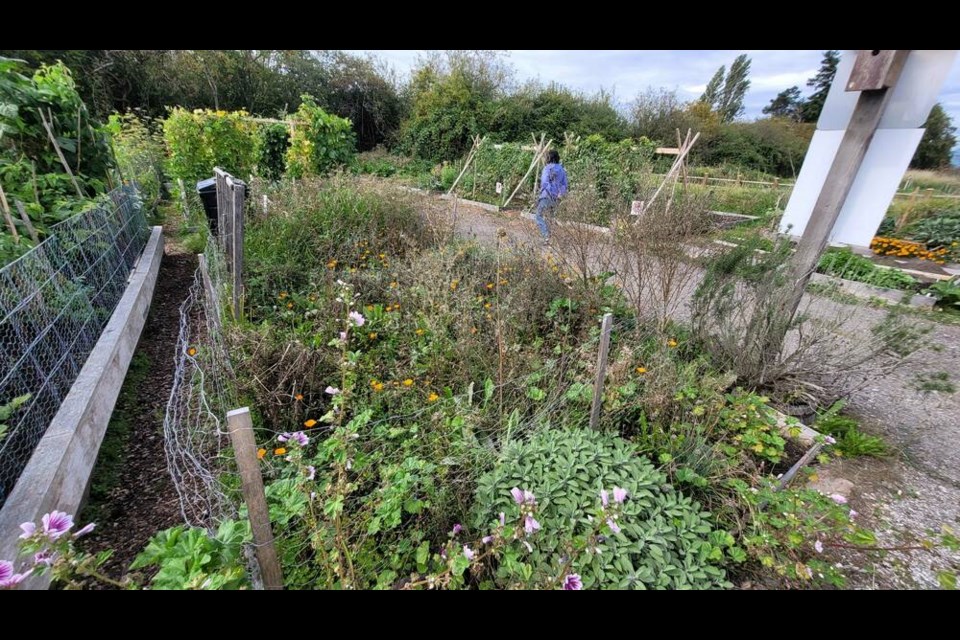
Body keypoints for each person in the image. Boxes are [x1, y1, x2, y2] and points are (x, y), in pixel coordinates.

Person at [533, 149, 568, 245]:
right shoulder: (562, 169)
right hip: (557, 198)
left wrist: (547, 192)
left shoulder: (547, 168)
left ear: (549, 158)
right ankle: (550, 238)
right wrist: (560, 194)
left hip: (546, 196)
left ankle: (546, 236)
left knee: (538, 215)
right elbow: (565, 184)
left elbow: (544, 182)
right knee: (551, 217)